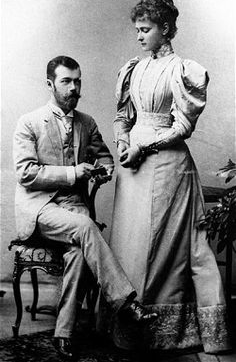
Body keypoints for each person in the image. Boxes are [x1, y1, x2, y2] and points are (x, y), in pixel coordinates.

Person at [99, 0, 231, 354]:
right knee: (130, 244)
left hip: (167, 165)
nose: (139, 36)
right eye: (137, 30)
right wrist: (123, 140)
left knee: (161, 247)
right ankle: (127, 325)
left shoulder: (182, 70)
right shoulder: (134, 69)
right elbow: (122, 115)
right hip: (133, 171)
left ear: (166, 29)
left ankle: (164, 331)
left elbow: (183, 125)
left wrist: (143, 147)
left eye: (146, 30)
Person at [13, 56, 157, 360]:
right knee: (86, 227)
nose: (74, 87)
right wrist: (72, 173)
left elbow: (105, 157)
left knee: (79, 253)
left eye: (77, 81)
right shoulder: (29, 122)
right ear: (50, 84)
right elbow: (26, 173)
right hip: (42, 209)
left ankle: (62, 334)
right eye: (66, 81)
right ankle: (126, 303)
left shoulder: (86, 122)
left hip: (75, 207)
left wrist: (104, 170)